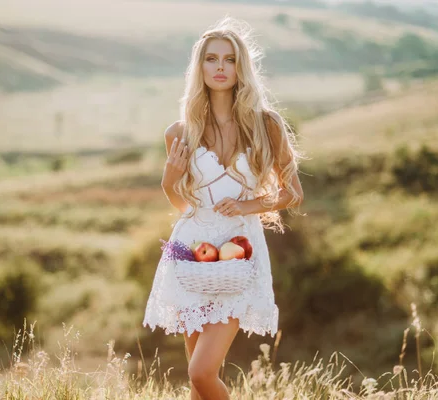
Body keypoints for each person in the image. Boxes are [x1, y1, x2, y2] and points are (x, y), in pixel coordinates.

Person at [142, 16, 305, 400]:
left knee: (201, 373)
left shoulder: (267, 125)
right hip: (192, 254)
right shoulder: (179, 133)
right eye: (211, 59)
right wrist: (169, 179)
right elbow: (185, 205)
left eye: (228, 59)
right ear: (199, 67)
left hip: (239, 255)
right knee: (196, 379)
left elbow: (292, 193)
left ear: (240, 67)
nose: (219, 67)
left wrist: (248, 204)